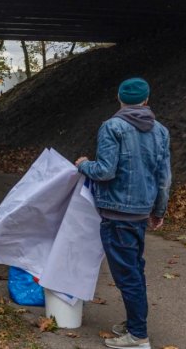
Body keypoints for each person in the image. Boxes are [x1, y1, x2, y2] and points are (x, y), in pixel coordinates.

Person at [74, 78, 171, 349]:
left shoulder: (112, 127)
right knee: (134, 270)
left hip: (117, 213)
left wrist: (84, 165)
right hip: (140, 211)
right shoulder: (161, 131)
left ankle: (138, 336)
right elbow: (164, 177)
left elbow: (105, 170)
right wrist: (159, 210)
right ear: (146, 100)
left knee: (127, 275)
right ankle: (133, 323)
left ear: (119, 98)